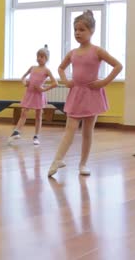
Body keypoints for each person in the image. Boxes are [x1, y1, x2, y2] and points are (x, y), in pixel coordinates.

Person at [47, 10, 122, 177]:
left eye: (82, 30)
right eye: (75, 29)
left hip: (92, 94)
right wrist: (65, 80)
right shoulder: (72, 53)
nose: (77, 33)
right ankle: (58, 159)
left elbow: (118, 65)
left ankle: (83, 164)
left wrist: (104, 82)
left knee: (88, 131)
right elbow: (60, 67)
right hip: (76, 94)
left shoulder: (97, 51)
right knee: (70, 128)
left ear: (91, 31)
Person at [7, 45, 58, 146]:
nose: (39, 58)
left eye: (42, 57)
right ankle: (17, 131)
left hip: (38, 95)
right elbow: (23, 77)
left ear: (46, 59)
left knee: (38, 116)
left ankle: (36, 136)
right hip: (29, 94)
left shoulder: (47, 70)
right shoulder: (32, 68)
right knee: (24, 113)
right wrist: (24, 82)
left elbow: (55, 83)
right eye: (38, 56)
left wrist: (43, 89)